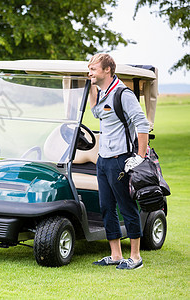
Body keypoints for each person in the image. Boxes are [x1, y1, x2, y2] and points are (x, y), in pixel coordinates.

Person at [88, 53, 150, 270]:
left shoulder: (123, 94)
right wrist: (92, 86)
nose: (90, 73)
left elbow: (142, 123)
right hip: (103, 160)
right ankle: (115, 255)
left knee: (126, 207)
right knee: (106, 207)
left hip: (120, 161)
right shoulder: (104, 92)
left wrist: (140, 157)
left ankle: (135, 257)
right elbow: (96, 112)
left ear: (107, 70)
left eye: (93, 69)